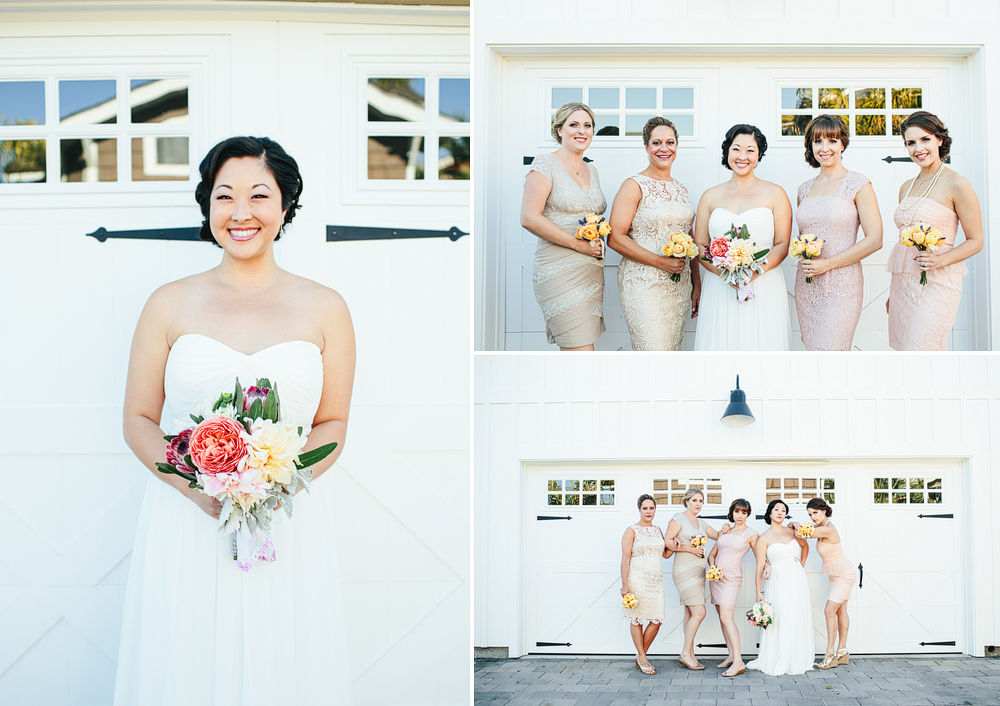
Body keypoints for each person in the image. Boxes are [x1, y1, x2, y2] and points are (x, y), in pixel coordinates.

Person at [115, 136, 355, 704]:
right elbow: (138, 418)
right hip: (187, 517)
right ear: (207, 207)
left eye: (258, 196)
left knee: (284, 663)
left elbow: (334, 423)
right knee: (187, 660)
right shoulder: (168, 303)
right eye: (224, 196)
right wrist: (198, 488)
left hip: (284, 521)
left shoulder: (326, 307)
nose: (240, 212)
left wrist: (269, 485)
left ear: (285, 207)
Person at [886, 111, 984, 350]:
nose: (918, 148)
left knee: (923, 350)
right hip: (903, 285)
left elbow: (976, 240)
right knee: (904, 352)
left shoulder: (957, 184)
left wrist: (939, 261)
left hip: (938, 283)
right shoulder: (906, 187)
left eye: (925, 139)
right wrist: (893, 292)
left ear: (940, 139)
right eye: (911, 142)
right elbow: (903, 244)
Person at [693, 124, 792, 351]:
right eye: (736, 148)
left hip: (763, 283)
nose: (742, 156)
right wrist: (725, 273)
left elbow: (782, 244)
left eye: (750, 150)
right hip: (720, 285)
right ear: (727, 151)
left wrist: (751, 273)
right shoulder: (710, 195)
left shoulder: (776, 193)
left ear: (759, 155)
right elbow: (699, 244)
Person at [608, 116, 700, 350]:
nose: (664, 148)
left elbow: (690, 238)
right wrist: (661, 262)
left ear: (676, 146)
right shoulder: (633, 185)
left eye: (670, 142)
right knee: (651, 351)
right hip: (643, 284)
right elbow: (615, 238)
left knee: (671, 352)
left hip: (678, 286)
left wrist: (697, 283)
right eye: (657, 142)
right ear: (647, 146)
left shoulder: (681, 189)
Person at [521, 102, 607, 350]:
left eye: (587, 125)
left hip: (591, 273)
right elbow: (529, 217)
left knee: (583, 345)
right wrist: (579, 246)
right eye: (574, 125)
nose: (582, 131)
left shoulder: (592, 170)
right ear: (559, 130)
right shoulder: (545, 164)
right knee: (578, 348)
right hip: (558, 270)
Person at [794, 115, 883, 350]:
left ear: (843, 144)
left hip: (842, 285)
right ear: (810, 146)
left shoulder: (859, 184)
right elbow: (802, 237)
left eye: (832, 141)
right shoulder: (804, 189)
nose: (825, 148)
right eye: (818, 141)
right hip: (808, 284)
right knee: (813, 351)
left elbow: (875, 240)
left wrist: (828, 264)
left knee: (832, 352)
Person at [746, 500, 813, 677]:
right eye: (777, 509)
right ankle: (780, 656)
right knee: (783, 615)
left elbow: (805, 545)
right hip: (778, 580)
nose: (780, 512)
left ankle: (797, 657)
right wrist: (758, 592)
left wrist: (803, 561)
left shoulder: (792, 531)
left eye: (783, 510)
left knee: (796, 614)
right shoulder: (764, 538)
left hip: (797, 577)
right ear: (770, 513)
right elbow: (760, 566)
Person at [790, 498, 856, 669]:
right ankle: (843, 651)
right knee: (841, 611)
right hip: (835, 576)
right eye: (810, 514)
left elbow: (802, 533)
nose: (812, 517)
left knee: (829, 611)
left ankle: (830, 653)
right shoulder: (821, 527)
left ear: (824, 510)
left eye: (815, 513)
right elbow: (807, 531)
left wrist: (796, 523)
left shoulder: (827, 529)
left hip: (844, 575)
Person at [665, 488, 722, 670]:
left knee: (690, 613)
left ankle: (689, 653)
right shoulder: (678, 519)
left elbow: (719, 536)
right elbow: (667, 541)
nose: (698, 504)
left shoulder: (702, 523)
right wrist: (690, 549)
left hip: (699, 572)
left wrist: (729, 528)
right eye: (695, 500)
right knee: (700, 612)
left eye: (701, 501)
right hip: (684, 570)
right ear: (687, 501)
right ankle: (684, 653)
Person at [620, 494, 674, 675]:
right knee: (637, 618)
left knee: (657, 619)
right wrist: (625, 584)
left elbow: (665, 554)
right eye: (645, 508)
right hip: (637, 579)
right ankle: (643, 658)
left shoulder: (658, 530)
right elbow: (625, 558)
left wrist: (675, 545)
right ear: (639, 510)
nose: (648, 511)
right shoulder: (631, 530)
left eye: (651, 508)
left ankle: (640, 654)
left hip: (656, 581)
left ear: (655, 510)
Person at [707, 499, 758, 677]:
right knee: (722, 618)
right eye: (737, 511)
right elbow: (712, 555)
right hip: (716, 579)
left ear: (747, 514)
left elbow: (760, 557)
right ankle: (730, 655)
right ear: (732, 512)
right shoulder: (725, 531)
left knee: (726, 617)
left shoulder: (751, 534)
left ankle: (738, 661)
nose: (740, 515)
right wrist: (713, 568)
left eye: (744, 512)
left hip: (732, 579)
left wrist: (766, 566)